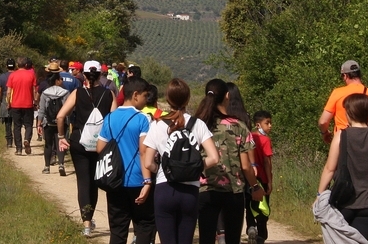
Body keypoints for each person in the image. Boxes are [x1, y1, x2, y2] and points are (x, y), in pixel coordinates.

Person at [142, 78, 218, 244]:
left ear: (167, 100)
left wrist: (162, 168)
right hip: (189, 192)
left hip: (165, 189)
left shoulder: (157, 125)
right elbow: (214, 158)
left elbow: (147, 163)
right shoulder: (198, 125)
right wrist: (195, 168)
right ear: (188, 99)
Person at [195, 79, 263, 244]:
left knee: (206, 238)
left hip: (205, 189)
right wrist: (255, 187)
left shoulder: (199, 124)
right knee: (233, 239)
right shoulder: (238, 126)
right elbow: (246, 166)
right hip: (233, 191)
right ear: (227, 96)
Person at [57, 60, 117, 237]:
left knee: (83, 182)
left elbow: (61, 116)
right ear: (101, 75)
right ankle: (90, 218)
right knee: (94, 182)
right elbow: (113, 121)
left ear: (83, 74)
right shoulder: (109, 94)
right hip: (102, 144)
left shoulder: (77, 93)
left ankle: (86, 224)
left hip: (79, 141)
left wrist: (61, 137)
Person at [314, 94, 368, 242]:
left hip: (345, 201)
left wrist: (320, 196)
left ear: (349, 113)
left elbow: (330, 168)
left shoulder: (342, 135)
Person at [97, 76, 156, 244]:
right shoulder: (143, 118)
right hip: (137, 179)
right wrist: (147, 181)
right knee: (145, 225)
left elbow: (100, 148)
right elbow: (144, 151)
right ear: (135, 95)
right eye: (145, 95)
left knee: (117, 230)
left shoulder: (109, 118)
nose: (146, 100)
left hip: (115, 180)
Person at [215, 82, 257, 244]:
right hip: (238, 172)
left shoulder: (213, 119)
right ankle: (250, 224)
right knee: (242, 200)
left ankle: (221, 233)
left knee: (218, 205)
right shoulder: (243, 118)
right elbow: (248, 148)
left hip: (217, 171)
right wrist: (253, 167)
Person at [318, 60, 368, 144]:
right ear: (359, 74)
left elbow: (323, 122)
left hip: (342, 140)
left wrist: (325, 133)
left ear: (345, 76)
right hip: (364, 141)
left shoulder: (337, 93)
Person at [246, 111, 273, 244]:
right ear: (258, 125)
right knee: (263, 207)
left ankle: (251, 227)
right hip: (262, 178)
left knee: (250, 204)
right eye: (267, 123)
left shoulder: (248, 136)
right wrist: (269, 182)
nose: (270, 126)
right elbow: (267, 162)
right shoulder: (265, 140)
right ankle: (261, 235)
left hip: (249, 177)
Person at [37, 69, 70, 176]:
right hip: (62, 122)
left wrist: (39, 123)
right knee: (60, 143)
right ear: (57, 81)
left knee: (48, 144)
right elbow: (68, 109)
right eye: (60, 79)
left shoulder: (45, 93)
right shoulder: (65, 92)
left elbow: (41, 110)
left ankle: (47, 167)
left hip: (48, 122)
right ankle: (61, 164)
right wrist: (68, 121)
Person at [6, 57, 38, 156]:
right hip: (28, 104)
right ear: (26, 65)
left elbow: (8, 92)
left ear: (17, 65)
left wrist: (8, 103)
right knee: (28, 125)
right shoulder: (31, 75)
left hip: (15, 104)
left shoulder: (12, 75)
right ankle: (27, 139)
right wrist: (35, 102)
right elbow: (34, 90)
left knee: (17, 126)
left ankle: (19, 149)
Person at [0, 58, 16, 148]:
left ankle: (9, 142)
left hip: (5, 98)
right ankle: (18, 140)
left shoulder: (2, 76)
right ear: (15, 66)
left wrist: (1, 100)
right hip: (16, 98)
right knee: (17, 122)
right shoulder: (17, 75)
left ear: (6, 66)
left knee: (7, 121)